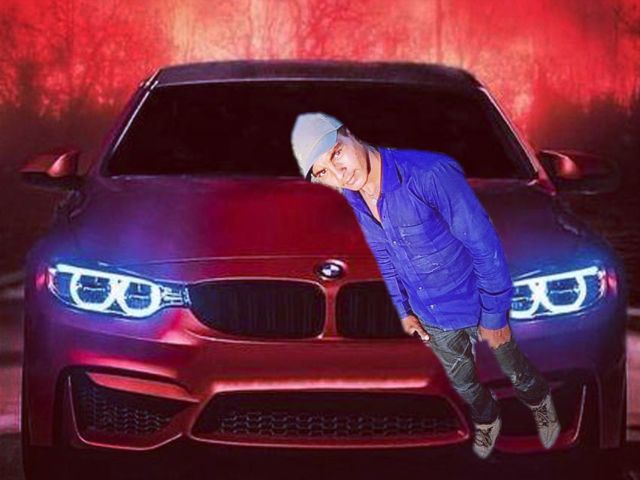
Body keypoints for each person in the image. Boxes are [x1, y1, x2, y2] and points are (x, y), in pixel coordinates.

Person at [290, 112, 560, 459]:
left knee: (513, 367)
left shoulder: (429, 174)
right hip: (432, 313)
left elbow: (483, 243)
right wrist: (405, 311)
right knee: (464, 381)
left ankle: (540, 404)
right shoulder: (355, 197)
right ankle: (487, 418)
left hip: (474, 301)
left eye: (336, 153)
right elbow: (386, 256)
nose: (339, 173)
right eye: (323, 172)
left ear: (348, 133)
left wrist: (494, 314)